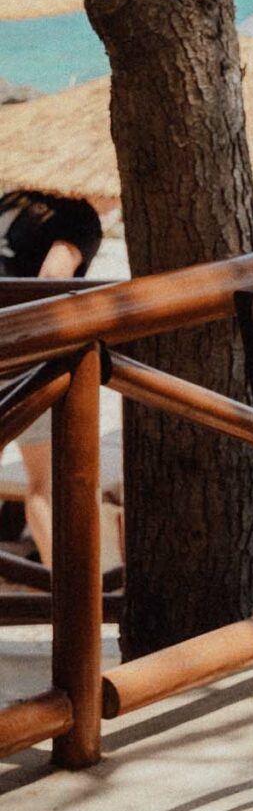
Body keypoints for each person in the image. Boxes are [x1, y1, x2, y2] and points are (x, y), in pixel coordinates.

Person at [0, 189, 104, 570]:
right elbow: (52, 277)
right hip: (21, 352)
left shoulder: (13, 199)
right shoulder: (80, 217)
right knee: (46, 486)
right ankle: (68, 593)